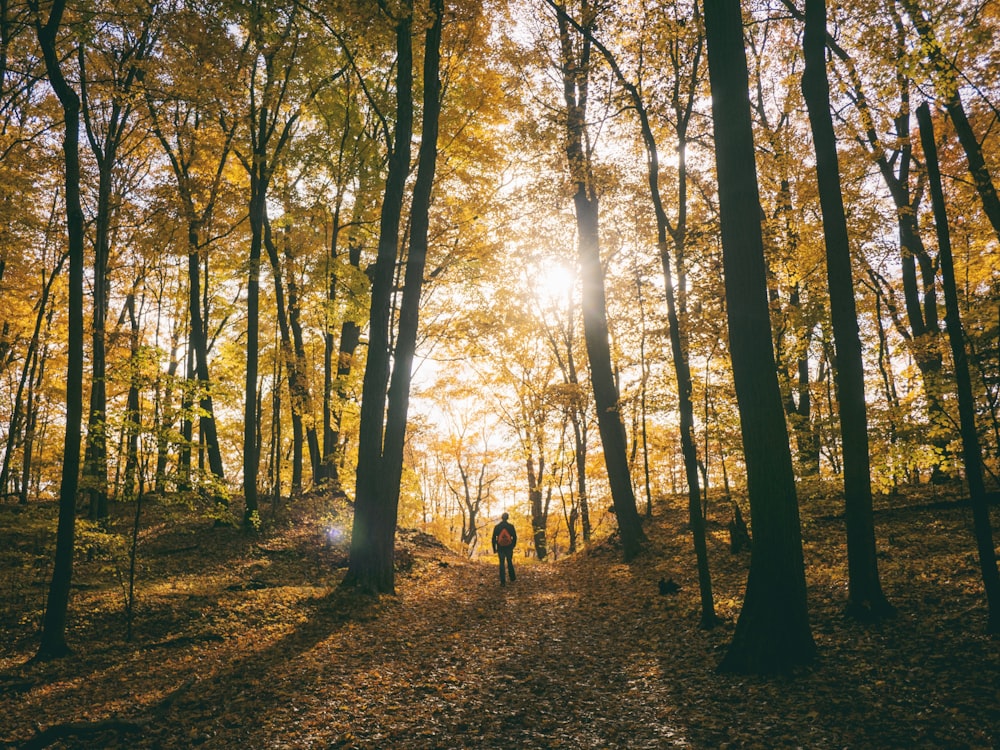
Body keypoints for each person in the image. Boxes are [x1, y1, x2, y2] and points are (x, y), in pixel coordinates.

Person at [491, 512, 517, 586]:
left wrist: (494, 548)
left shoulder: (497, 526)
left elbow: (493, 538)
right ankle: (512, 578)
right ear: (507, 518)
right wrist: (513, 545)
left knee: (501, 564)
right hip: (509, 547)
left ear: (502, 518)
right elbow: (514, 537)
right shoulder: (511, 526)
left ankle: (503, 582)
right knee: (509, 562)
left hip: (500, 547)